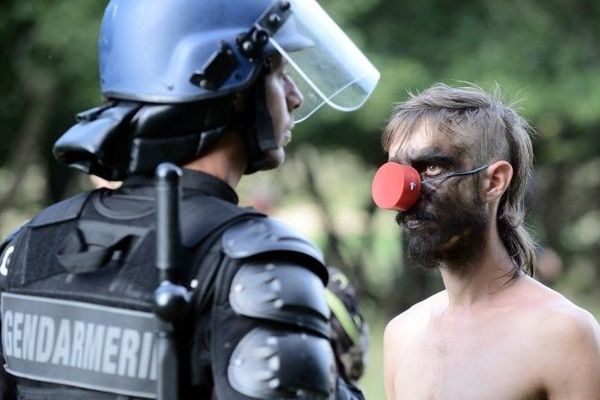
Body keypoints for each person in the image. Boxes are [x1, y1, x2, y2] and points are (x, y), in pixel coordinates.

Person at [0, 0, 379, 399]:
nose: (295, 96)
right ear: (235, 89)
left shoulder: (26, 248)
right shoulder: (254, 262)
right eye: (280, 72)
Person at [374, 84, 600, 399]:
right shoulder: (402, 333)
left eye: (433, 167)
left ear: (494, 181)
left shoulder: (563, 334)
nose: (405, 193)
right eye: (398, 171)